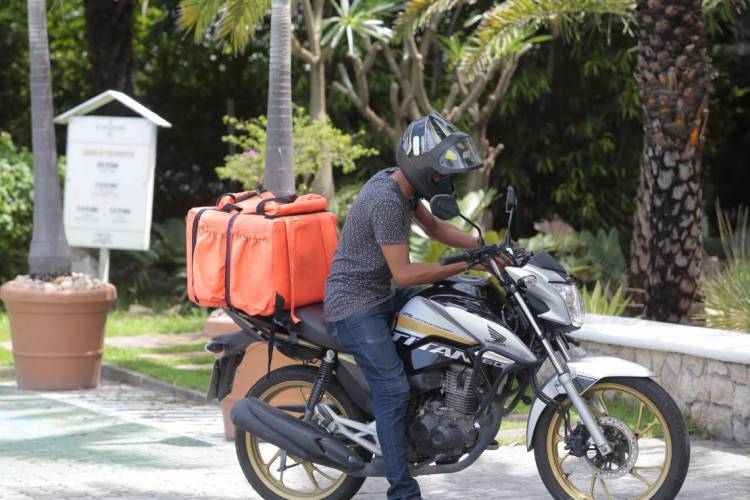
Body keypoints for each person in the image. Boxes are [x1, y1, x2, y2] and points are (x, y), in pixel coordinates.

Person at [324, 113, 500, 500]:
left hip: (379, 294)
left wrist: (484, 247)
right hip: (355, 305)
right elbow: (403, 273)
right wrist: (467, 261)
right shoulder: (387, 200)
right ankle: (402, 491)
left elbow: (436, 229)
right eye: (439, 175)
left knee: (456, 300)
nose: (444, 182)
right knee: (392, 392)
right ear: (421, 169)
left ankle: (454, 411)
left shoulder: (403, 185)